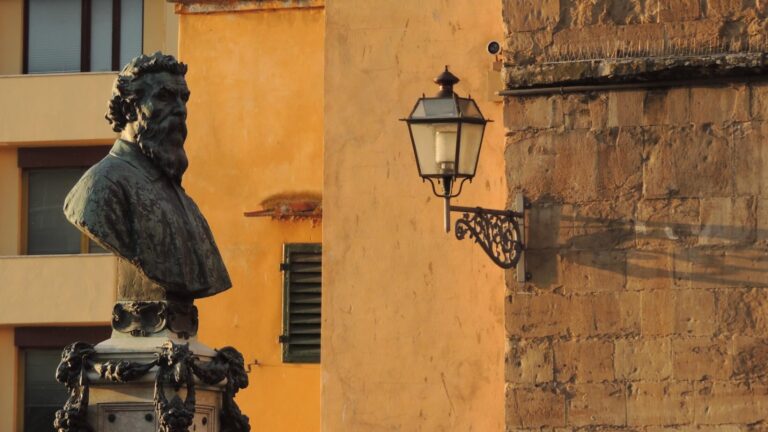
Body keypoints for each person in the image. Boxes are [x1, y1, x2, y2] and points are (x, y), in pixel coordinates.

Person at [63, 52, 231, 300]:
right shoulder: (100, 186)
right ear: (129, 108)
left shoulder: (186, 204)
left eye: (183, 99)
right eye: (164, 97)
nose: (180, 110)